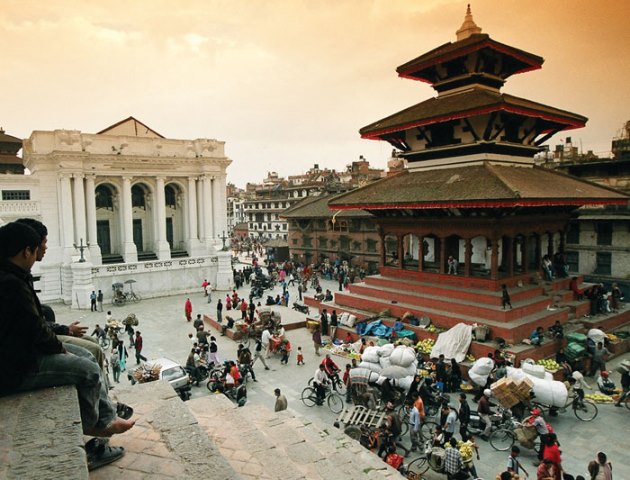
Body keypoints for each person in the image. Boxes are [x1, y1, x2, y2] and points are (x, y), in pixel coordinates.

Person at [0, 221, 135, 445]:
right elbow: (36, 329)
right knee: (89, 370)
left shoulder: (14, 276)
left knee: (88, 354)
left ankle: (107, 415)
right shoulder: (11, 283)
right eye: (37, 249)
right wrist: (60, 348)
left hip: (23, 352)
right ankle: (94, 424)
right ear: (26, 251)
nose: (38, 254)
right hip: (16, 367)